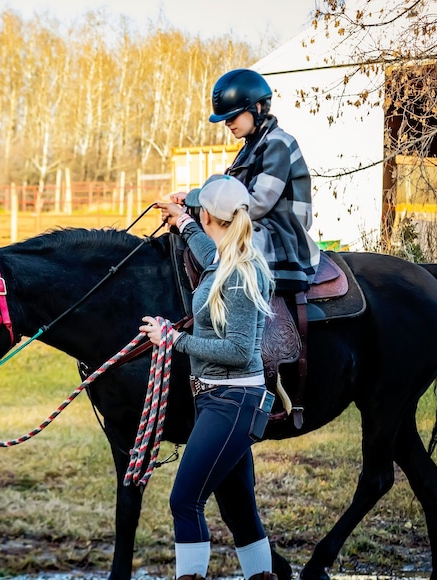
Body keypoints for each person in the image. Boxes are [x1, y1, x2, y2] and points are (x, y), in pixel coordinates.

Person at [140, 175, 277, 580]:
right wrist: (181, 221)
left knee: (185, 501)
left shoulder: (239, 274)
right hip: (221, 401)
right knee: (239, 510)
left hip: (230, 402)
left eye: (198, 211)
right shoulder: (227, 257)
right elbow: (204, 250)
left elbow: (237, 351)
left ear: (209, 215)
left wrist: (173, 339)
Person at [187, 68, 321, 294]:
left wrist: (197, 200)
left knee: (219, 262)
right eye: (225, 119)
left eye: (233, 116)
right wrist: (190, 205)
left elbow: (254, 204)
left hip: (279, 235)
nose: (228, 123)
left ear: (257, 108)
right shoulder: (251, 146)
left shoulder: (277, 143)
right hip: (254, 227)